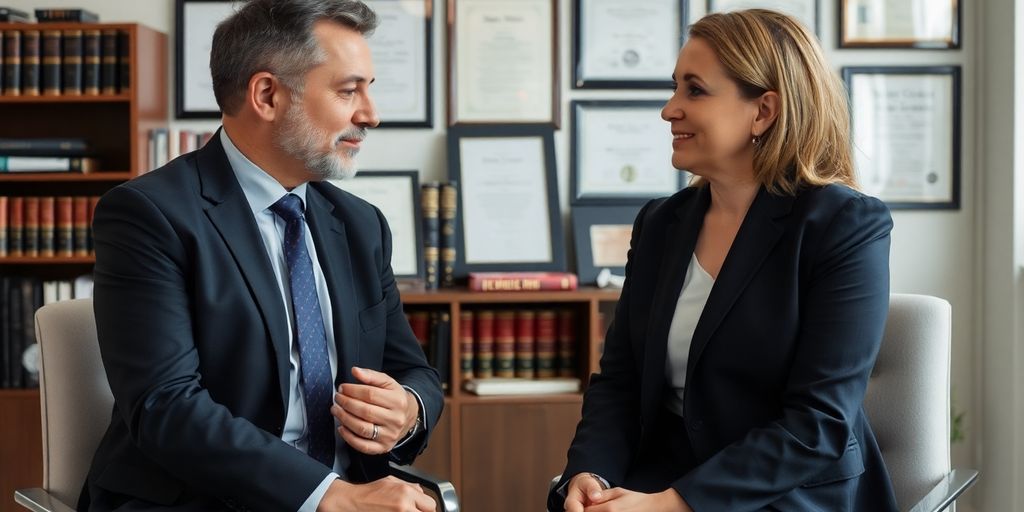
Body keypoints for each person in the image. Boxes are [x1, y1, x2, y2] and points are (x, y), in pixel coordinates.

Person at [82, 1, 442, 511]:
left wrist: (407, 409)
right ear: (267, 94)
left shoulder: (361, 226)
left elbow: (416, 373)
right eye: (348, 91)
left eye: (369, 90)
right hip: (200, 500)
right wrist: (327, 498)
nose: (371, 115)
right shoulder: (149, 215)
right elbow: (168, 409)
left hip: (356, 492)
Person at [550, 9, 899, 512]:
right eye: (675, 88)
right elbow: (621, 382)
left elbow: (817, 425)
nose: (669, 110)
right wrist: (591, 470)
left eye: (694, 90)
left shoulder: (844, 226)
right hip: (661, 478)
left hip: (785, 495)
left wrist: (674, 505)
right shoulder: (660, 224)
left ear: (763, 111)